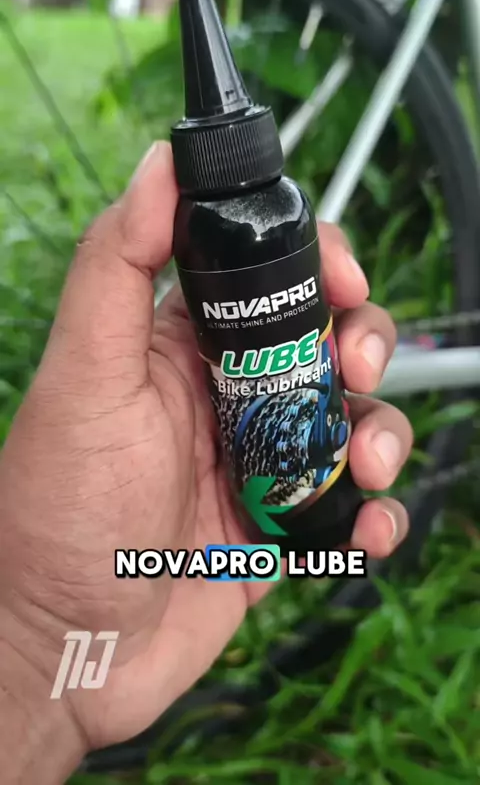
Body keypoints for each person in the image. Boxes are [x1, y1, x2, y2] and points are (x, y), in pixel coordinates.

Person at [0, 143, 413, 784]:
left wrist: (33, 661)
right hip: (201, 532)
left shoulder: (283, 207)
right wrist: (34, 634)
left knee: (342, 380)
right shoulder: (203, 226)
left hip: (255, 515)